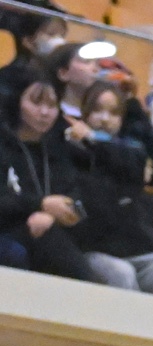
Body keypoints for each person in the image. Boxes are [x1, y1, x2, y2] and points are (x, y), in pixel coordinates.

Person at [68, 83, 153, 300]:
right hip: (90, 250)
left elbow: (141, 157)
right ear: (84, 114)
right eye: (97, 110)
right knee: (120, 273)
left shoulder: (127, 153)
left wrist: (95, 139)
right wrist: (88, 141)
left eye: (114, 113)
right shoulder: (69, 149)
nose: (105, 119)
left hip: (133, 248)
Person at [1, 75, 96, 282]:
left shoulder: (58, 150)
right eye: (36, 103)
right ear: (17, 101)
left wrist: (56, 214)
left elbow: (75, 196)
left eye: (52, 105)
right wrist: (41, 205)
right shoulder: (3, 146)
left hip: (49, 232)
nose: (44, 112)